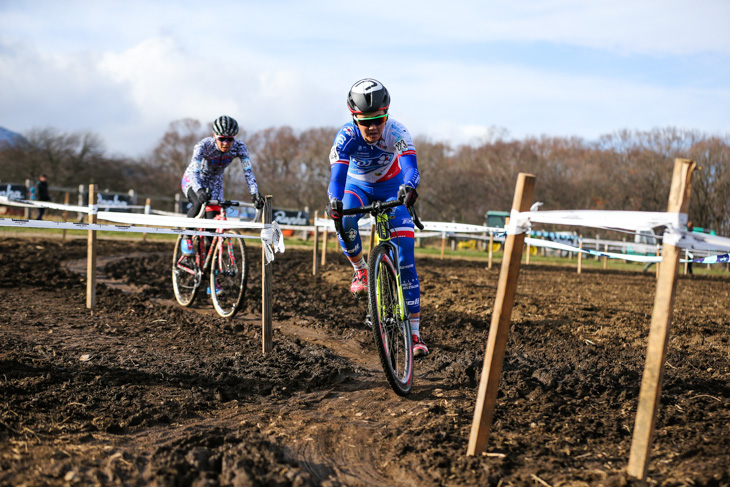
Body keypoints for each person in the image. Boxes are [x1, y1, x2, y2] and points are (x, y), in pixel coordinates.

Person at [326, 78, 428, 357]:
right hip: (356, 187)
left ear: (387, 114)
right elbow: (337, 178)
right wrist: (334, 201)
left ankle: (416, 333)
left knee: (406, 258)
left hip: (391, 187)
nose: (372, 127)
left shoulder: (397, 131)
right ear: (354, 118)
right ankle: (360, 269)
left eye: (378, 120)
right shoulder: (345, 136)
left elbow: (411, 169)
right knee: (344, 220)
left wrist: (409, 187)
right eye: (365, 122)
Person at [180, 115, 264, 257]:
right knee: (198, 204)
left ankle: (208, 268)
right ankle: (186, 237)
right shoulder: (203, 146)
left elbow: (248, 172)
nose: (226, 143)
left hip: (215, 184)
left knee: (212, 231)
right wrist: (199, 190)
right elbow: (194, 172)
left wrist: (255, 193)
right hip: (194, 180)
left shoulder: (240, 147)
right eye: (222, 139)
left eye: (230, 139)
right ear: (214, 135)